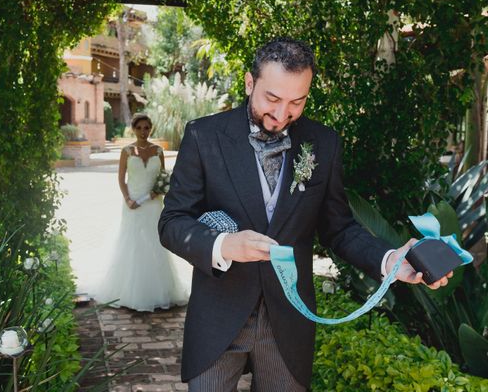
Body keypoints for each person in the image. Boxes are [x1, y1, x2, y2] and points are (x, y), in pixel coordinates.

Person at [158, 37, 452, 391]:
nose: (283, 115)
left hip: (288, 324)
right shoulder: (204, 136)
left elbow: (339, 229)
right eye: (272, 99)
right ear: (250, 83)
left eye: (297, 101)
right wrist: (224, 246)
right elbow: (173, 222)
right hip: (218, 319)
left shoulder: (324, 143)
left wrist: (389, 261)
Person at [94, 113, 189, 312]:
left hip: (153, 203)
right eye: (139, 128)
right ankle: (131, 291)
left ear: (150, 129)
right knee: (133, 242)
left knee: (155, 240)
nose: (143, 131)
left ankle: (160, 290)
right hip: (133, 203)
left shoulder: (158, 150)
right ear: (133, 129)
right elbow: (121, 178)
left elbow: (163, 177)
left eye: (147, 128)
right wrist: (128, 199)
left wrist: (158, 191)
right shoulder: (126, 151)